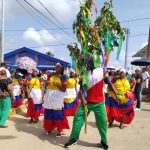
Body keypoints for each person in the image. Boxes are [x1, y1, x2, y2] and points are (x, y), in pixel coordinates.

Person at [64, 59, 118, 150]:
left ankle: (104, 141)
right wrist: (83, 98)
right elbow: (81, 88)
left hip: (99, 102)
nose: (90, 62)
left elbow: (109, 84)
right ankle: (73, 138)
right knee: (77, 119)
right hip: (86, 102)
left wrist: (116, 95)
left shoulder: (103, 71)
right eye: (89, 61)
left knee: (103, 122)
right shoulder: (84, 72)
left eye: (92, 60)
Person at [43, 63, 70, 137]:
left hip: (58, 96)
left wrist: (57, 85)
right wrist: (47, 82)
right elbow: (46, 83)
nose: (57, 68)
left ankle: (59, 130)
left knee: (57, 113)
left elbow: (64, 89)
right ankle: (49, 128)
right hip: (49, 95)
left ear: (61, 69)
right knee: (49, 112)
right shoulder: (51, 75)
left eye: (59, 67)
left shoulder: (63, 77)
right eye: (56, 67)